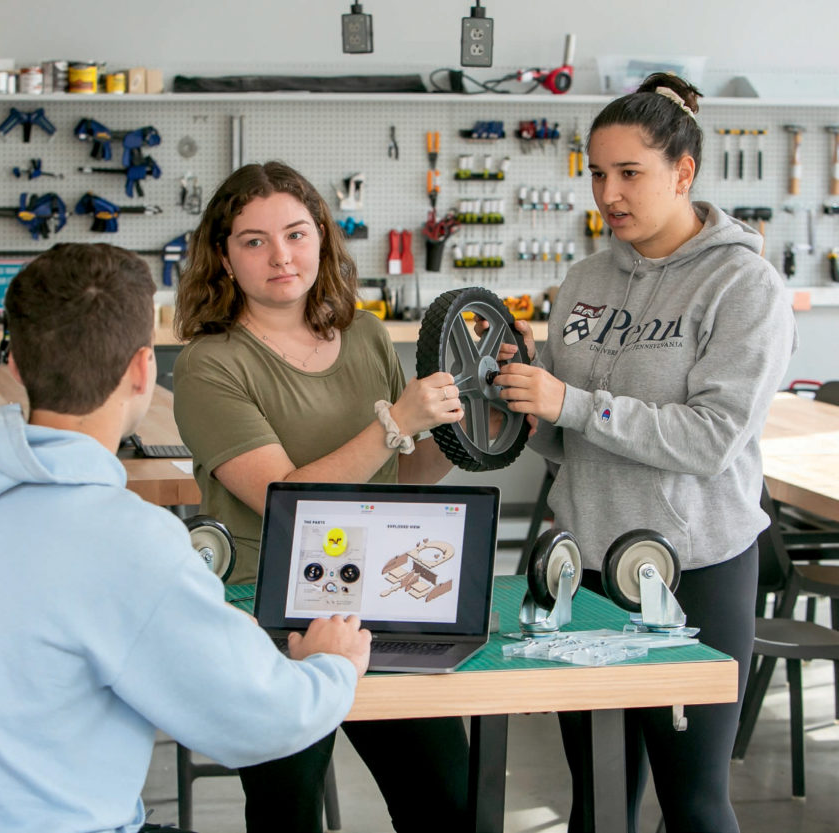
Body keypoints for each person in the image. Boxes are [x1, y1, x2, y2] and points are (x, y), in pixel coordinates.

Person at [0, 242, 371, 833]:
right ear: (144, 370)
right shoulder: (128, 540)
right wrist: (331, 666)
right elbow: (265, 720)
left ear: (16, 366)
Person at [492, 73, 796, 833]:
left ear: (683, 173)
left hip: (692, 571)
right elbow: (571, 440)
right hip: (579, 571)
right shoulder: (586, 280)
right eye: (597, 172)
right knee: (597, 805)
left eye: (630, 172)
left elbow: (709, 439)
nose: (608, 192)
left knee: (693, 804)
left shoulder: (744, 285)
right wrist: (524, 408)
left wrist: (573, 404)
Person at [172, 161, 471, 833]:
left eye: (296, 233)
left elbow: (403, 476)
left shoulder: (364, 334)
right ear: (223, 257)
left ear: (322, 239)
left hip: (391, 599)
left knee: (450, 803)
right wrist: (394, 421)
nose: (281, 255)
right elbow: (289, 502)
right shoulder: (210, 364)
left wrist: (464, 429)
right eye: (253, 240)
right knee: (288, 815)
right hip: (271, 614)